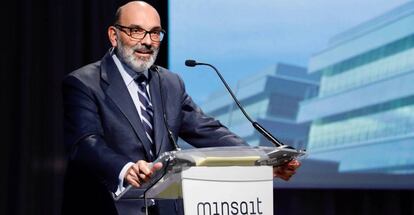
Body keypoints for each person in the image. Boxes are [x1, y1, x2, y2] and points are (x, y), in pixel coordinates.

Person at [62, 1, 300, 215]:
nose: (147, 41)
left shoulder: (169, 83)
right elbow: (86, 143)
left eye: (155, 33)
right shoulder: (84, 82)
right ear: (114, 36)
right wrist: (125, 168)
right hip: (107, 207)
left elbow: (208, 131)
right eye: (136, 31)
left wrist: (259, 162)